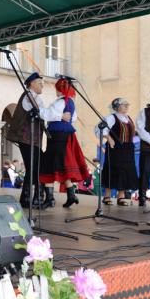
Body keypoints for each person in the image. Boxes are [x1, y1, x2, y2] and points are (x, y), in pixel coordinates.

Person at [6, 72, 72, 208]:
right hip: (26, 138)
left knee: (38, 166)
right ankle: (28, 198)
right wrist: (61, 116)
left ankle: (38, 197)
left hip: (34, 140)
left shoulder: (36, 98)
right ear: (32, 84)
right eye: (40, 83)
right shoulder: (28, 96)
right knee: (32, 167)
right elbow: (42, 113)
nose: (42, 85)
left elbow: (43, 113)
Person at [39, 77, 89, 208]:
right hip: (66, 136)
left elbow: (47, 115)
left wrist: (38, 109)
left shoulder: (59, 102)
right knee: (62, 166)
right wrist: (62, 119)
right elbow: (73, 119)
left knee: (47, 166)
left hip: (57, 137)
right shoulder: (71, 102)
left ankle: (50, 199)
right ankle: (71, 196)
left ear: (59, 90)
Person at [100, 98, 139, 206]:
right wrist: (109, 138)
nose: (126, 106)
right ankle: (107, 196)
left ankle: (120, 197)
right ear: (116, 107)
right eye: (123, 104)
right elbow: (100, 129)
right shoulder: (111, 118)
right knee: (112, 169)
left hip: (127, 148)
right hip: (115, 148)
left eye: (127, 104)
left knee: (125, 171)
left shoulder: (128, 118)